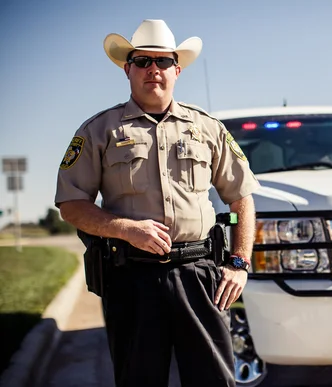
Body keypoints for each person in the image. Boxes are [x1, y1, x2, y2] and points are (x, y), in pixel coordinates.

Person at [54, 19, 259, 387]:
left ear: (176, 70)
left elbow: (241, 197)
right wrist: (124, 229)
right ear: (127, 68)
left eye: (163, 61)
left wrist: (240, 263)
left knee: (214, 380)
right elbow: (71, 204)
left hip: (200, 276)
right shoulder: (98, 131)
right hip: (130, 280)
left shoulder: (207, 127)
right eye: (142, 61)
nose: (153, 70)